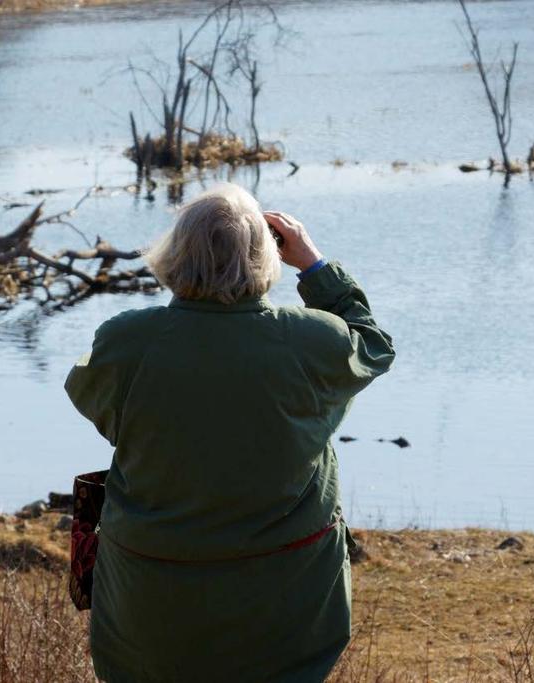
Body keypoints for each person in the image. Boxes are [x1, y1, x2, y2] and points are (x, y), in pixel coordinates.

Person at [65, 182, 395, 682]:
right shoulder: (312, 339)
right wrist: (315, 266)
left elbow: (92, 399)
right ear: (266, 257)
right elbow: (373, 346)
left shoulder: (123, 340)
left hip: (147, 593)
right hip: (285, 595)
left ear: (175, 252)